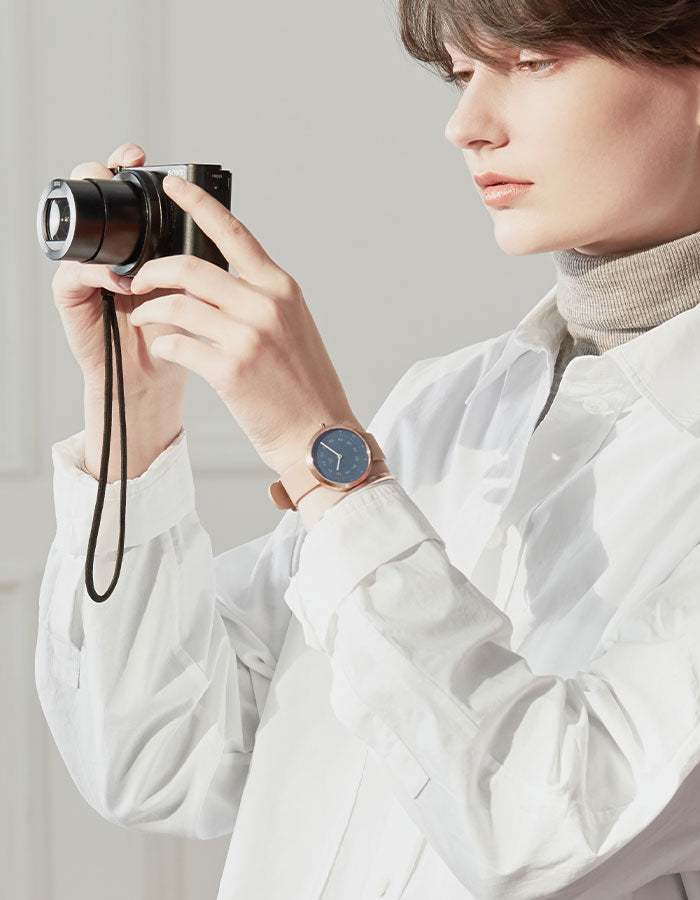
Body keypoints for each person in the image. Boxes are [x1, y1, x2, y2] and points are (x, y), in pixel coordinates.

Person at [35, 0, 700, 897]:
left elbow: (541, 831)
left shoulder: (356, 448)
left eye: (533, 62)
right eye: (462, 74)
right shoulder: (443, 405)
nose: (466, 125)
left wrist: (324, 458)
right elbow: (159, 762)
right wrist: (135, 417)